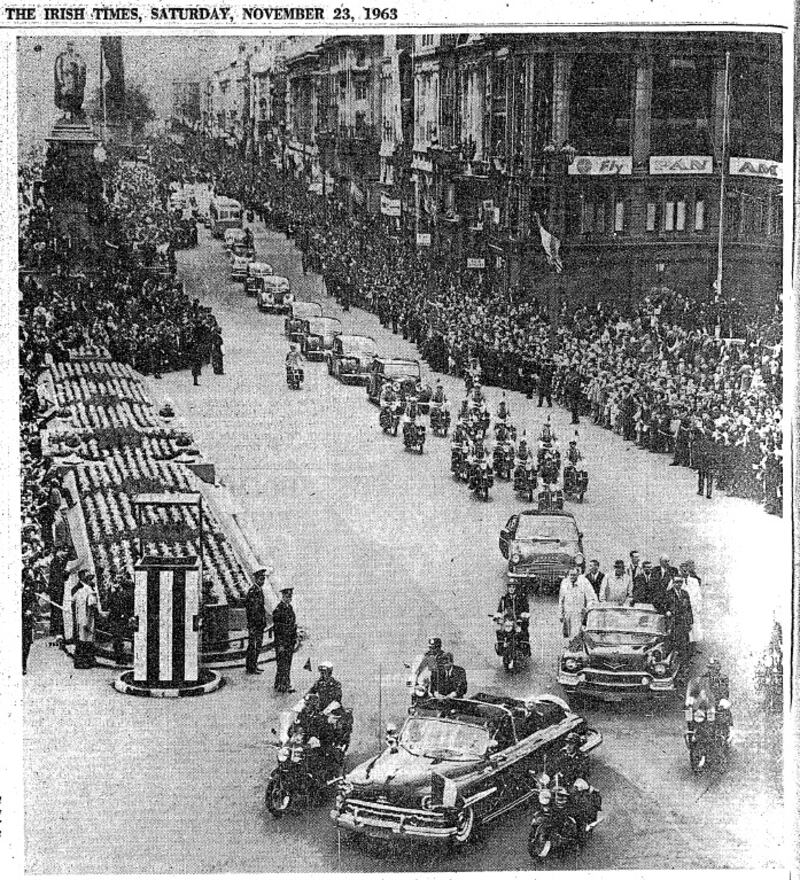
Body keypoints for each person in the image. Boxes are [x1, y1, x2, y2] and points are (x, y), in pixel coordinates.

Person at [558, 568, 598, 639]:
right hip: (568, 614)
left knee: (577, 635)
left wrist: (587, 609)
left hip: (579, 614)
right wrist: (560, 614)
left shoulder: (584, 582)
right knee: (568, 636)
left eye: (574, 575)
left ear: (578, 575)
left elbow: (592, 598)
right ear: (568, 575)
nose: (572, 577)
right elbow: (561, 599)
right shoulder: (564, 582)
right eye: (571, 575)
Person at [71, 569, 99, 669]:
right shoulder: (90, 592)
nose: (93, 581)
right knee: (87, 641)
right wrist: (88, 622)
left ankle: (79, 662)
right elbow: (92, 608)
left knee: (81, 641)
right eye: (91, 579)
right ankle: (84, 662)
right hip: (88, 620)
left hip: (80, 620)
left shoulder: (79, 591)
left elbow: (72, 601)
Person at [272, 586, 297, 693]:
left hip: (289, 642)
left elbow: (292, 624)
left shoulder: (289, 608)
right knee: (282, 664)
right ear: (283, 596)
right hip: (282, 643)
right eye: (287, 596)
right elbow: (278, 630)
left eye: (290, 596)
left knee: (287, 664)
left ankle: (281, 683)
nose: (289, 598)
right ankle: (283, 684)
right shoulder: (278, 610)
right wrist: (280, 645)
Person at [665, 576, 693, 667]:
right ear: (673, 583)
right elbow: (663, 605)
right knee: (674, 642)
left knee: (685, 642)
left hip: (683, 622)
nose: (679, 584)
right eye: (677, 582)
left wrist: (690, 622)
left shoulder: (685, 593)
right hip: (673, 622)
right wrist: (667, 611)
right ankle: (672, 663)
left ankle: (685, 663)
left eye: (680, 582)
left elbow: (689, 608)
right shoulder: (669, 594)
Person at [244, 569, 267, 674]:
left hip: (259, 624)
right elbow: (252, 610)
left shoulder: (259, 590)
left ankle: (254, 665)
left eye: (264, 579)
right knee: (253, 646)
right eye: (261, 579)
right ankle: (251, 667)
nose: (263, 581)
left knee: (257, 646)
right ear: (256, 579)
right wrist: (255, 624)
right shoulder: (253, 591)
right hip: (254, 625)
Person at [106, 572, 132, 666]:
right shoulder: (121, 596)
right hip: (118, 619)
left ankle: (119, 657)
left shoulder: (115, 596)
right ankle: (120, 658)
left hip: (115, 619)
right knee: (118, 640)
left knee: (118, 639)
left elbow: (108, 605)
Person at [22, 580, 38, 675]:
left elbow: (36, 606)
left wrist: (31, 611)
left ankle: (23, 665)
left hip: (27, 622)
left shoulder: (31, 594)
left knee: (26, 644)